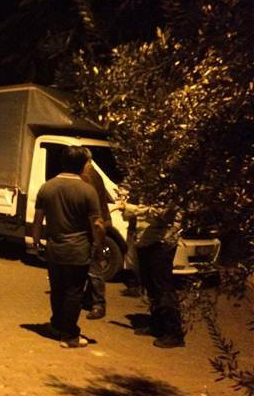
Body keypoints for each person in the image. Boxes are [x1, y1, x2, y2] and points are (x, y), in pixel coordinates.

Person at [32, 146, 105, 348]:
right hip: (78, 249)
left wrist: (36, 242)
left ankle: (57, 325)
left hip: (54, 248)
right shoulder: (87, 190)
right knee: (74, 292)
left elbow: (38, 220)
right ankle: (70, 335)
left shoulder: (47, 187)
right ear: (82, 165)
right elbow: (97, 224)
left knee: (57, 290)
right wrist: (99, 248)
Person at [118, 199, 185, 348]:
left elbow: (162, 214)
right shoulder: (148, 192)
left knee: (163, 287)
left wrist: (132, 208)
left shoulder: (167, 191)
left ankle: (174, 332)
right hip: (146, 242)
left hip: (161, 243)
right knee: (151, 287)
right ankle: (157, 325)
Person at [80, 159, 112, 320]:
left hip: (94, 225)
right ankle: (89, 298)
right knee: (92, 267)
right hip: (99, 221)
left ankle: (98, 304)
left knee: (94, 268)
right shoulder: (94, 174)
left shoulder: (87, 175)